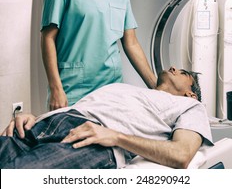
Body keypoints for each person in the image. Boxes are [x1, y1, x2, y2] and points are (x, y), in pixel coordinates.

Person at [0, 67, 213, 169]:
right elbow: (85, 108)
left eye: (183, 73)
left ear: (191, 93)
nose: (173, 68)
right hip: (41, 126)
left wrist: (116, 137)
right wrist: (33, 118)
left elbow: (181, 154)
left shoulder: (190, 106)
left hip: (90, 139)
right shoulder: (124, 88)